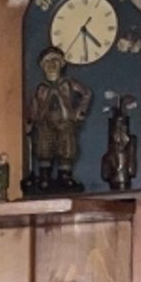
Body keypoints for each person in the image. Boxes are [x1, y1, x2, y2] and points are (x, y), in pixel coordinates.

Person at [23, 46, 92, 192]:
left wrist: (80, 111)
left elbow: (86, 93)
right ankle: (45, 175)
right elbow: (35, 105)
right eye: (47, 62)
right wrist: (30, 121)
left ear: (62, 63)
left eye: (55, 61)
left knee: (67, 146)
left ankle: (64, 175)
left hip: (65, 121)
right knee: (44, 147)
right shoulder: (41, 88)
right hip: (45, 122)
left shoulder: (68, 83)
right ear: (42, 67)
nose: (51, 66)